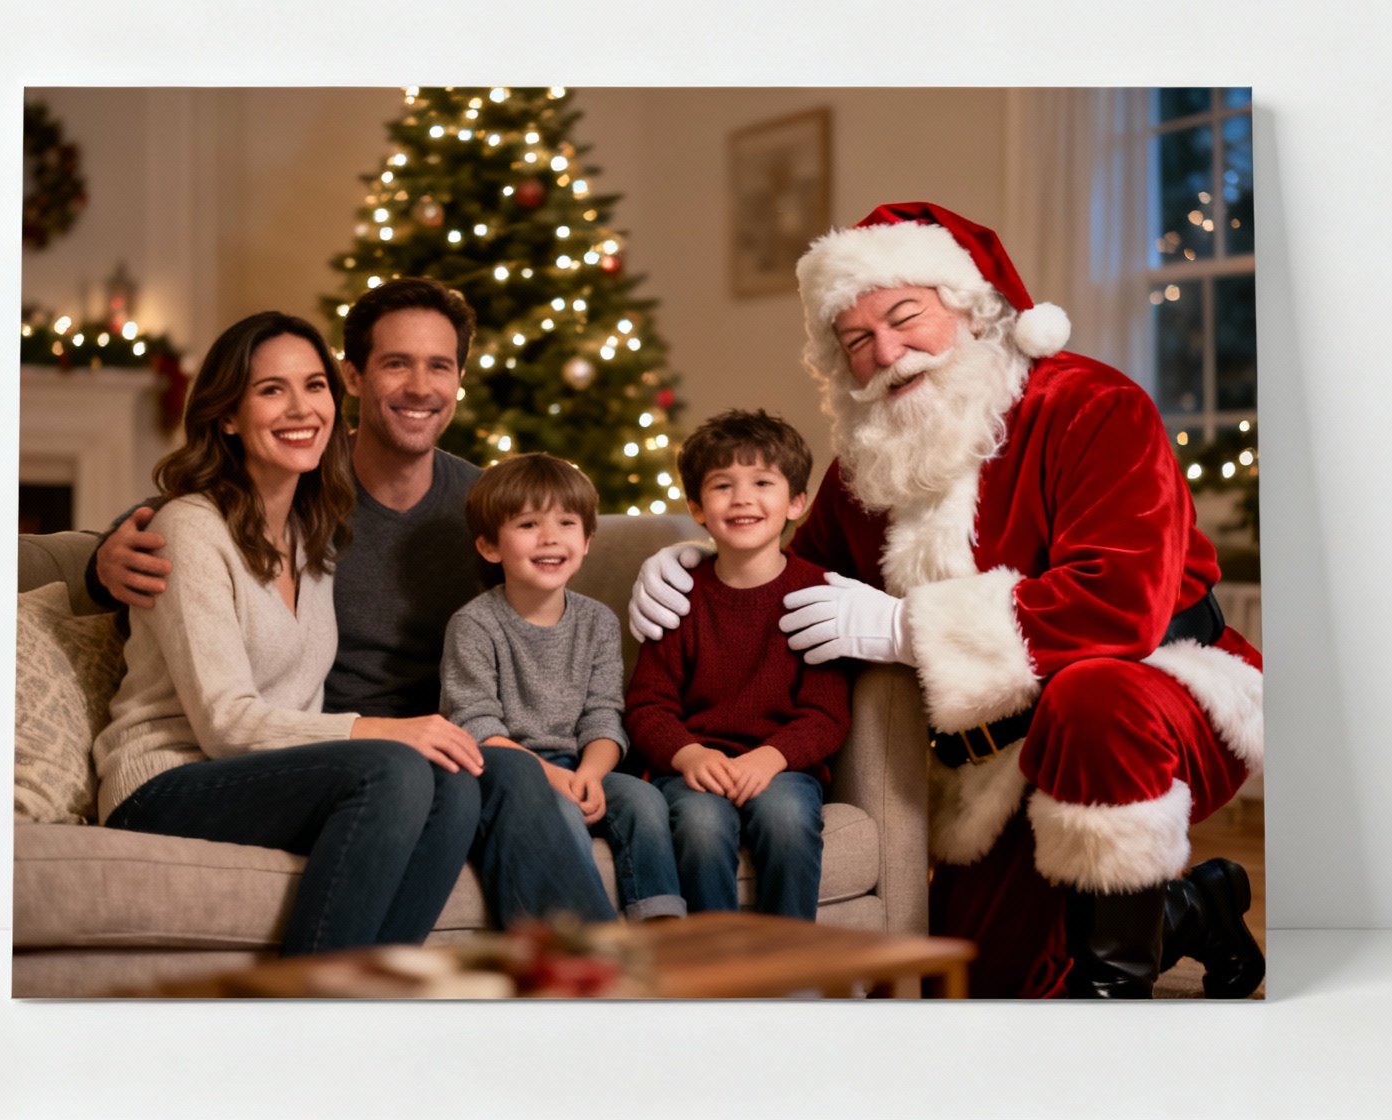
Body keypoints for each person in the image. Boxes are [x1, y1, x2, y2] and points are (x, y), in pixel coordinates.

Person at [630, 203, 1266, 998]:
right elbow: (800, 590)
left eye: (904, 318)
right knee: (973, 986)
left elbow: (1119, 606)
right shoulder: (864, 464)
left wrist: (907, 628)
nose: (885, 353)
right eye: (856, 341)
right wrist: (703, 565)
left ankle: (1115, 1006)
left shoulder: (1092, 403)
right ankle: (1191, 909)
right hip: (996, 758)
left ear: (974, 309)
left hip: (1161, 693)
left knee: (1095, 695)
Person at [90, 279, 612, 930]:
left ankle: (547, 973)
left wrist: (680, 567)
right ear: (355, 378)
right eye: (396, 363)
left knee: (473, 778)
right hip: (257, 761)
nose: (419, 386)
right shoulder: (249, 504)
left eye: (439, 365)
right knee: (405, 771)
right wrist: (100, 562)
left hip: (368, 753)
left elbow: (548, 604)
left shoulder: (324, 519)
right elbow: (174, 530)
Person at [93, 310, 481, 955]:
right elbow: (225, 724)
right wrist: (379, 731)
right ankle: (304, 1000)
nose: (301, 408)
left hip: (273, 774)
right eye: (271, 389)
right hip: (167, 783)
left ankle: (374, 989)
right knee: (392, 768)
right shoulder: (188, 529)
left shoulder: (312, 532)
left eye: (314, 386)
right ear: (227, 415)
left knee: (456, 785)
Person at [625, 411, 852, 922]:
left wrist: (770, 759)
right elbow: (647, 705)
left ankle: (789, 961)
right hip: (693, 767)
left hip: (782, 767)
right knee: (701, 826)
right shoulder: (677, 595)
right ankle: (718, 961)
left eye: (762, 483)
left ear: (796, 502)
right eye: (722, 485)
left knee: (787, 817)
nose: (742, 498)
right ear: (697, 508)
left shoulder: (818, 594)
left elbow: (826, 714)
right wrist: (688, 755)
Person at [439, 453, 684, 922]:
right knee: (562, 813)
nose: (550, 537)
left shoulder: (598, 622)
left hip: (580, 766)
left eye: (567, 523)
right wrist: (555, 779)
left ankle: (661, 926)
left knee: (645, 801)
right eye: (528, 524)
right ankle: (580, 935)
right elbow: (476, 726)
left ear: (587, 540)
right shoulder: (474, 625)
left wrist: (590, 773)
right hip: (510, 775)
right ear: (490, 546)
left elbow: (604, 715)